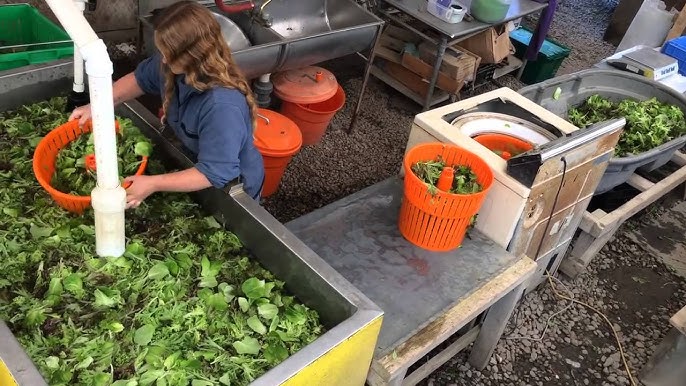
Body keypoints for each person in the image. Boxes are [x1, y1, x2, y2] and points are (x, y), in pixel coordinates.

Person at [69, 0, 265, 209]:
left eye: (166, 53)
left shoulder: (221, 106)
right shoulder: (173, 64)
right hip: (195, 161)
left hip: (232, 186)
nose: (162, 60)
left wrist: (152, 183)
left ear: (192, 55)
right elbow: (139, 79)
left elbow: (215, 172)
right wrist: (97, 106)